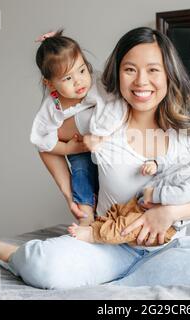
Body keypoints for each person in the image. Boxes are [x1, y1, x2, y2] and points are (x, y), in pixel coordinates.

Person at [0, 27, 190, 289]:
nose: (141, 82)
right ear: (117, 73)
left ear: (169, 73)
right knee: (45, 265)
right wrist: (69, 193)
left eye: (153, 70)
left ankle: (112, 287)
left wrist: (169, 213)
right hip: (107, 242)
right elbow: (46, 144)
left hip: (167, 245)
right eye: (130, 70)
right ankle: (15, 256)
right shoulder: (100, 120)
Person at [68, 141, 190, 246]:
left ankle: (93, 235)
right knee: (117, 212)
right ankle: (96, 225)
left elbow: (180, 195)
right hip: (139, 203)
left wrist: (155, 194)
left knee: (125, 226)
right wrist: (157, 164)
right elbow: (174, 161)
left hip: (157, 220)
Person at [30, 29, 126, 225]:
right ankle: (86, 215)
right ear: (50, 84)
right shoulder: (52, 105)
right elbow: (42, 140)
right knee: (81, 171)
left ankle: (113, 214)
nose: (79, 81)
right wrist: (68, 148)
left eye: (82, 70)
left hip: (106, 141)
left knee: (111, 174)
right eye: (67, 78)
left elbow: (116, 106)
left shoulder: (97, 83)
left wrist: (98, 134)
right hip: (78, 148)